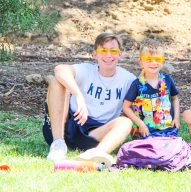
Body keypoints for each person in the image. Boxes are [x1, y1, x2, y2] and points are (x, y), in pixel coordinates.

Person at [43, 33, 136, 167]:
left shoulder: (127, 79)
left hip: (96, 133)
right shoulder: (86, 70)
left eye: (113, 50)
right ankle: (58, 144)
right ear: (95, 54)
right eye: (103, 50)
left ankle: (95, 154)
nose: (108, 55)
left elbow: (145, 91)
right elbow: (60, 69)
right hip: (68, 125)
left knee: (125, 122)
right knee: (56, 82)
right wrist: (78, 95)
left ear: (120, 54)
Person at [122, 39, 180, 139]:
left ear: (163, 62)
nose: (153, 63)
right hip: (146, 132)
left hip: (168, 129)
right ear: (141, 62)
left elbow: (175, 98)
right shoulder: (137, 85)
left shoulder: (167, 80)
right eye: (148, 60)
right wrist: (140, 124)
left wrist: (176, 118)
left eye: (157, 60)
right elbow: (126, 107)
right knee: (150, 151)